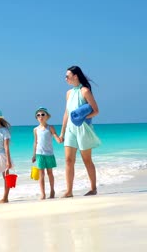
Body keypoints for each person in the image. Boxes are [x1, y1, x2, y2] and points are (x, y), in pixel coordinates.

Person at [59, 66, 101, 198]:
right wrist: (62, 132)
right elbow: (66, 113)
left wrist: (82, 117)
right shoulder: (68, 93)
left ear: (75, 76)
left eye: (67, 76)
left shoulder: (85, 91)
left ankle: (93, 188)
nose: (66, 78)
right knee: (68, 160)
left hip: (84, 129)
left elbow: (96, 111)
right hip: (70, 129)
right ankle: (69, 191)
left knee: (86, 160)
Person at [31, 107, 62, 199]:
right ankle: (43, 193)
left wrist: (58, 140)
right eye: (38, 115)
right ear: (37, 118)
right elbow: (35, 142)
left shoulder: (50, 127)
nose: (40, 116)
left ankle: (52, 191)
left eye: (43, 114)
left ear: (47, 116)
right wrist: (34, 155)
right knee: (41, 174)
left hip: (49, 154)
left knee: (50, 173)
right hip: (39, 153)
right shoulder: (35, 129)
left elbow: (55, 135)